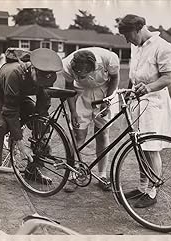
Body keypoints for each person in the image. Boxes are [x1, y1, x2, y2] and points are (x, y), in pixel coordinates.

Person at [0, 48, 63, 186]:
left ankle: (32, 170)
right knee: (1, 125)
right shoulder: (14, 72)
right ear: (32, 69)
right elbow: (11, 111)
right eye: (38, 80)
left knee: (40, 124)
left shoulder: (48, 76)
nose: (41, 84)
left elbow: (42, 107)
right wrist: (20, 143)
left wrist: (42, 135)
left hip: (16, 94)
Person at [118, 14, 171, 208]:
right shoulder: (136, 46)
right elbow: (134, 75)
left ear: (139, 29)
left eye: (128, 35)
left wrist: (149, 88)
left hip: (153, 104)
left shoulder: (165, 47)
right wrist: (128, 91)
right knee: (138, 147)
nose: (127, 40)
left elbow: (167, 78)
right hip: (136, 102)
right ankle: (142, 187)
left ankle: (152, 192)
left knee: (151, 149)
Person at [62, 47, 120, 192]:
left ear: (93, 68)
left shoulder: (109, 59)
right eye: (78, 75)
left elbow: (115, 78)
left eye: (83, 75)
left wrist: (107, 100)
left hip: (105, 92)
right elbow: (69, 87)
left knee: (102, 134)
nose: (80, 77)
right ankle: (74, 175)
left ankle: (102, 175)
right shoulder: (67, 64)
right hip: (82, 94)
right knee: (79, 135)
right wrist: (73, 111)